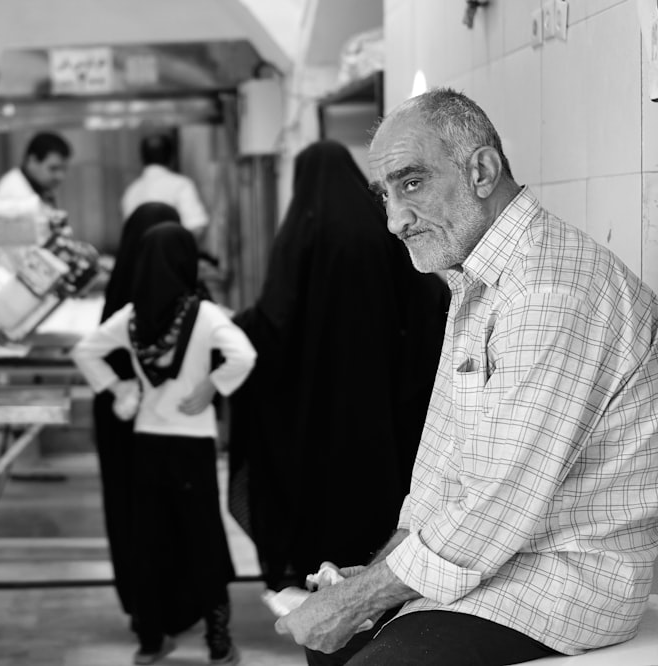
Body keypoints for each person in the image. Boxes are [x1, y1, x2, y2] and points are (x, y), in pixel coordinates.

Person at [275, 88, 658, 665]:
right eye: (384, 195)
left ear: (481, 170)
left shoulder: (550, 291)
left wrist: (360, 600)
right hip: (501, 560)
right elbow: (439, 471)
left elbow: (497, 505)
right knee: (335, 645)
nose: (394, 220)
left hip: (565, 578)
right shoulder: (477, 278)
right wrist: (371, 580)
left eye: (411, 183)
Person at [227, 140, 448, 634]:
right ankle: (381, 593)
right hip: (381, 415)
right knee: (379, 504)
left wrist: (233, 328)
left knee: (316, 510)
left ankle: (319, 595)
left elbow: (275, 322)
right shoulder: (381, 230)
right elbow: (431, 300)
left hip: (314, 415)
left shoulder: (302, 234)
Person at [72, 223, 255, 666]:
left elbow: (85, 351)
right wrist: (213, 386)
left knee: (149, 541)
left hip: (147, 443)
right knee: (203, 539)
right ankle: (217, 641)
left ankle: (151, 642)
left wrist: (119, 390)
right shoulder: (204, 314)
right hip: (192, 445)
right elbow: (245, 355)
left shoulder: (132, 316)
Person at [92, 202, 184, 624]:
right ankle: (180, 601)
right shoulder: (189, 298)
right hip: (177, 431)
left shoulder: (117, 304)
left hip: (122, 427)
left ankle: (142, 604)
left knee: (130, 509)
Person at [0, 131, 72, 243]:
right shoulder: (13, 192)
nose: (60, 176)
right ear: (32, 161)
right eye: (53, 169)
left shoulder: (38, 187)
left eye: (64, 169)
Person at [121, 133, 209, 241]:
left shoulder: (131, 191)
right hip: (175, 256)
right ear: (171, 157)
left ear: (142, 158)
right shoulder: (181, 185)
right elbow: (197, 227)